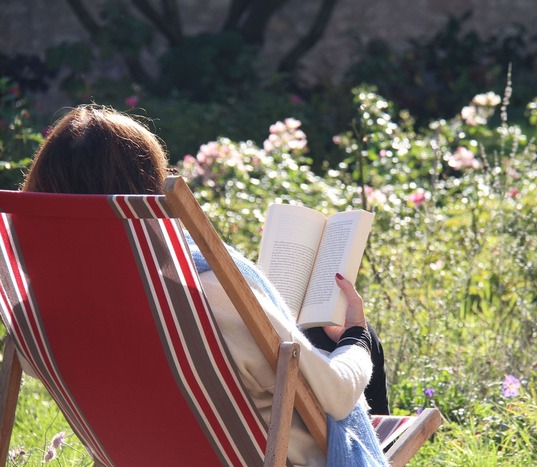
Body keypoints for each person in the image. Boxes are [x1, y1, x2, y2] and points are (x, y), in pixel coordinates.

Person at [21, 104, 389, 466]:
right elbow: (337, 396)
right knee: (353, 336)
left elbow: (33, 366)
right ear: (148, 191)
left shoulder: (37, 310)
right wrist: (356, 337)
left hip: (147, 453)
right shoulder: (210, 296)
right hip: (270, 456)